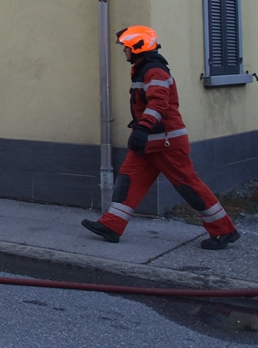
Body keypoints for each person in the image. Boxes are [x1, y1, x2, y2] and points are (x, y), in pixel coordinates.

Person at [82, 26, 240, 250]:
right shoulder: (143, 69)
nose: (124, 51)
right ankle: (111, 225)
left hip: (166, 142)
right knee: (128, 181)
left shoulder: (154, 71)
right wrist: (142, 132)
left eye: (126, 47)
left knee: (189, 186)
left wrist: (142, 129)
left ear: (138, 47)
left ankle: (225, 231)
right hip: (149, 142)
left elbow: (159, 103)